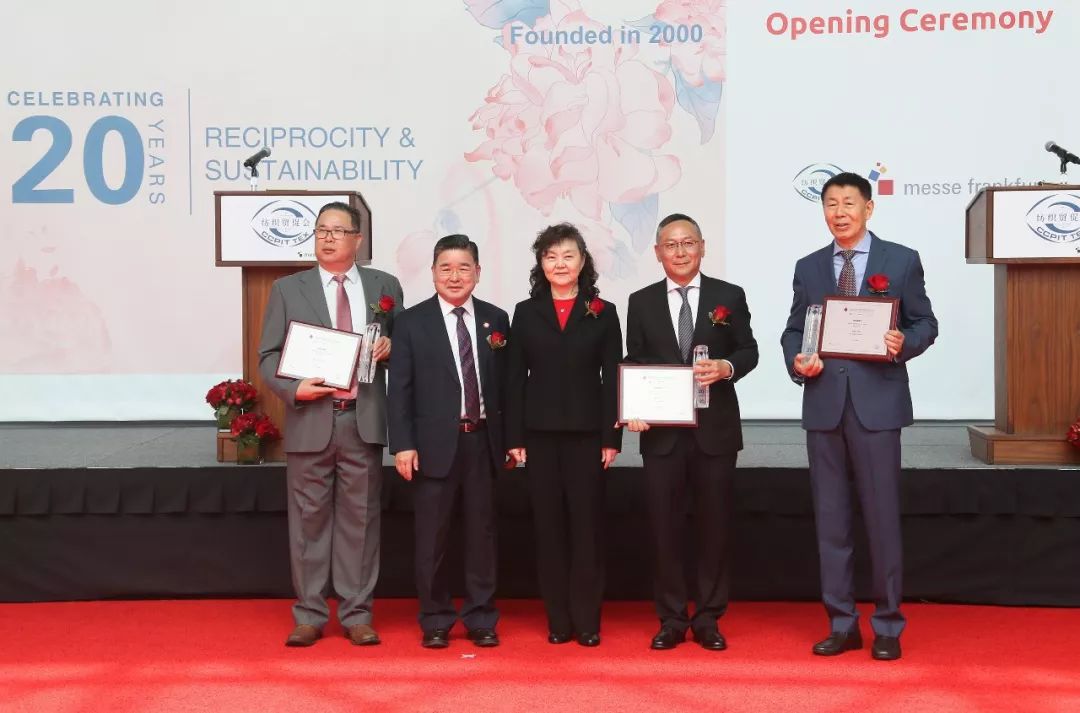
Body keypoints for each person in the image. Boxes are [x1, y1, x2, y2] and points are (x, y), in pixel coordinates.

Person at [781, 172, 938, 661]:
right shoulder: (809, 266)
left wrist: (903, 342)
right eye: (831, 203)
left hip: (877, 408)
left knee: (882, 519)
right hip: (824, 405)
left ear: (869, 208)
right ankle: (842, 623)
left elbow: (925, 322)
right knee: (832, 522)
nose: (839, 212)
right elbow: (794, 330)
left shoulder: (901, 260)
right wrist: (798, 361)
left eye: (849, 202)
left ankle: (888, 625)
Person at [258, 201, 402, 647]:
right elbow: (268, 356)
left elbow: (404, 346)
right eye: (321, 230)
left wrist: (392, 348)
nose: (327, 237)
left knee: (361, 521)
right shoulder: (288, 288)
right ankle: (309, 614)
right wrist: (292, 388)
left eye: (338, 231)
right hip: (311, 418)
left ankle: (358, 613)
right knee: (308, 521)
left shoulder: (384, 286)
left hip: (362, 419)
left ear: (358, 240)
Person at [624, 213, 759, 651]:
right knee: (663, 529)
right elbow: (636, 361)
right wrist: (633, 407)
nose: (680, 251)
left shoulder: (728, 295)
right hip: (661, 436)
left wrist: (727, 366)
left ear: (702, 247)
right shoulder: (641, 301)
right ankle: (670, 618)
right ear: (657, 252)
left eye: (687, 243)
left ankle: (708, 617)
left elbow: (749, 349)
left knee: (714, 528)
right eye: (671, 244)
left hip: (714, 432)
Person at [387, 234, 511, 649]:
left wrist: (511, 441)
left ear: (478, 272)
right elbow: (399, 389)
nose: (455, 276)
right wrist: (403, 444)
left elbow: (506, 387)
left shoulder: (496, 319)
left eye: (463, 268)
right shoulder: (411, 322)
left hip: (483, 443)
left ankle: (481, 617)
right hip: (432, 446)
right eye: (446, 268)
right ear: (433, 272)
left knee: (483, 536)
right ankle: (436, 618)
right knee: (431, 539)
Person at [505, 223, 622, 647]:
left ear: (582, 261)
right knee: (549, 531)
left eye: (568, 255)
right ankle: (558, 620)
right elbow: (514, 379)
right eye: (551, 256)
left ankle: (587, 621)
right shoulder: (525, 312)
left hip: (588, 438)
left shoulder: (603, 311)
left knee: (587, 531)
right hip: (539, 437)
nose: (560, 263)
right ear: (541, 263)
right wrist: (514, 438)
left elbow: (612, 378)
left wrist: (611, 439)